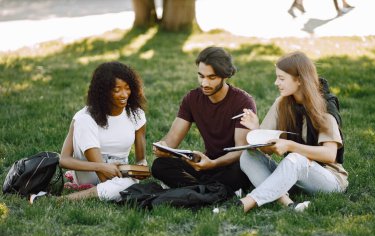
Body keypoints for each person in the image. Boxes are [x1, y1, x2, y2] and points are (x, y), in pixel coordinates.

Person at [237, 51, 348, 213]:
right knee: (248, 156)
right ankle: (289, 204)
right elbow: (265, 148)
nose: (276, 83)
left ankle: (247, 202)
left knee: (296, 158)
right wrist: (256, 131)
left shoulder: (324, 106)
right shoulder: (282, 103)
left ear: (300, 80)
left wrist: (289, 145)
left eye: (281, 79)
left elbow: (330, 154)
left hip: (329, 178)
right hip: (294, 174)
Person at [30, 61, 148, 203]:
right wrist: (102, 167)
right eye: (117, 90)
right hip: (89, 171)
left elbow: (141, 159)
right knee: (84, 121)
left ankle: (62, 199)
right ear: (103, 91)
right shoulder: (83, 116)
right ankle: (105, 190)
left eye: (127, 89)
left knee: (130, 183)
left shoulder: (137, 115)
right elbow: (64, 160)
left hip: (119, 172)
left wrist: (141, 168)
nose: (124, 94)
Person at [151, 46, 256, 194]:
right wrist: (162, 148)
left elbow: (240, 151)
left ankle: (199, 188)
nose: (204, 83)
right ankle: (210, 189)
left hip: (231, 165)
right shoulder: (192, 99)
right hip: (206, 163)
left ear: (224, 76)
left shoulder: (243, 102)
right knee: (159, 166)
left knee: (239, 171)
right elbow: (171, 141)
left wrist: (213, 164)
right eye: (201, 76)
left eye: (211, 78)